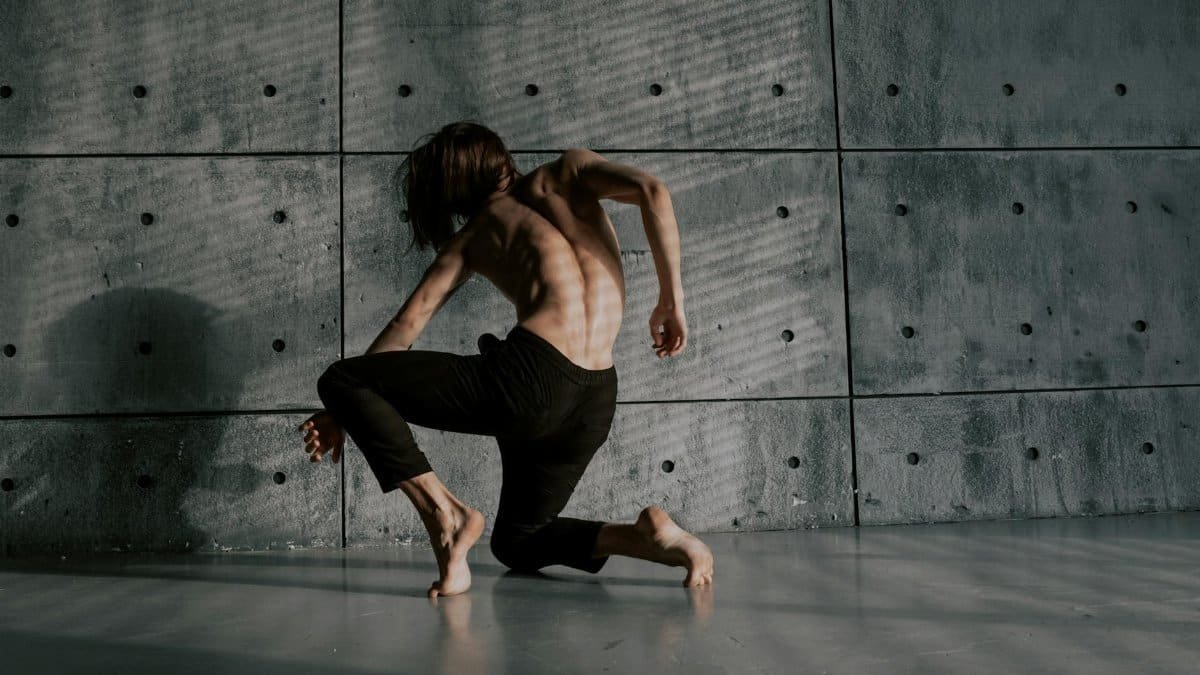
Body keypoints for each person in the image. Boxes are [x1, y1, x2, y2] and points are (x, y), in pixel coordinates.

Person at [298, 121, 714, 598]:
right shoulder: (569, 172)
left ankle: (446, 515)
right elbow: (652, 190)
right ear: (499, 159)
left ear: (449, 191)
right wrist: (670, 301)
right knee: (518, 542)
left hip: (531, 381)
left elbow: (404, 327)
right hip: (596, 396)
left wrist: (343, 410)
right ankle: (642, 538)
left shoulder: (474, 236)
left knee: (342, 378)